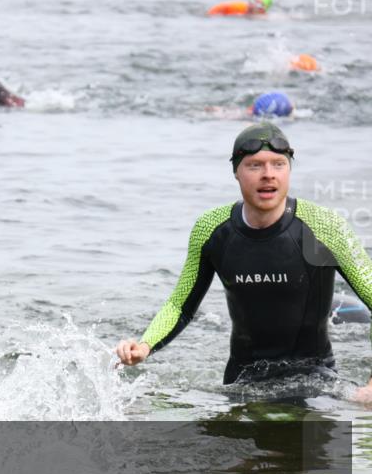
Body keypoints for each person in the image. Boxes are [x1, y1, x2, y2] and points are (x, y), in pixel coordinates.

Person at [115, 122, 372, 397]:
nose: (268, 175)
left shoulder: (323, 226)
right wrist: (144, 346)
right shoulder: (212, 229)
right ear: (236, 172)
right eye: (254, 165)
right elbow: (180, 305)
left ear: (289, 170)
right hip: (241, 383)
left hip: (315, 385)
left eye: (278, 164)